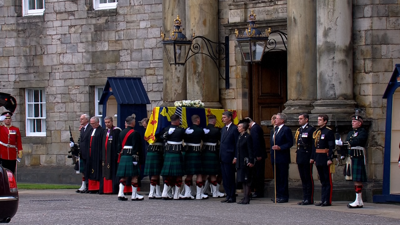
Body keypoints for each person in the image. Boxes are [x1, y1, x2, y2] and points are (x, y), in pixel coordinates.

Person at [340, 115, 368, 208]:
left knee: (357, 179)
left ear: (360, 123)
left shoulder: (362, 132)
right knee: (354, 179)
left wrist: (345, 143)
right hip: (351, 157)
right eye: (352, 121)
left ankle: (358, 200)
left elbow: (358, 141)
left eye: (355, 121)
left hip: (358, 156)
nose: (352, 123)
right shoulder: (351, 132)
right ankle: (358, 200)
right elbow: (348, 142)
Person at [116, 115, 144, 201]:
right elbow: (136, 147)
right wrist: (136, 158)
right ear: (132, 123)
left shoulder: (121, 132)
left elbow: (118, 147)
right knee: (135, 176)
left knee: (123, 176)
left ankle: (120, 193)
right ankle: (134, 195)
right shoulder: (135, 133)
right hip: (131, 156)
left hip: (124, 156)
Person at [311, 114, 335, 207]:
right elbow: (315, 146)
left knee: (327, 179)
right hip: (319, 157)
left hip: (325, 157)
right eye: (318, 119)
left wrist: (330, 158)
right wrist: (314, 157)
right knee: (322, 180)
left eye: (320, 120)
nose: (318, 121)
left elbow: (331, 146)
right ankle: (322, 199)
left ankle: (327, 200)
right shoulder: (317, 132)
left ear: (325, 121)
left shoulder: (328, 132)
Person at [182, 114, 208, 200]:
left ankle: (187, 193)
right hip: (196, 153)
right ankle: (198, 194)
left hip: (189, 153)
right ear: (198, 120)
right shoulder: (200, 130)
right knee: (199, 173)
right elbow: (204, 139)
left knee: (189, 174)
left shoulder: (187, 130)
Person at [160, 114, 185, 200]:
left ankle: (164, 192)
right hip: (177, 153)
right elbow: (186, 137)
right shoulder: (181, 130)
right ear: (178, 121)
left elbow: (161, 137)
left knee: (168, 174)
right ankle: (176, 195)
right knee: (178, 174)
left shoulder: (166, 129)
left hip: (168, 153)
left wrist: (167, 133)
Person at [270, 113, 293, 203]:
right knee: (277, 177)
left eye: (277, 118)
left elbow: (290, 143)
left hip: (282, 157)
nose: (275, 120)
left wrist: (280, 147)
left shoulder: (286, 129)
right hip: (275, 157)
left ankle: (284, 196)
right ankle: (278, 195)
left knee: (283, 177)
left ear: (282, 120)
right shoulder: (274, 130)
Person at [202, 115, 225, 198]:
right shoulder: (216, 130)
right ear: (214, 121)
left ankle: (202, 192)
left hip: (204, 152)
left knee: (204, 174)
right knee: (213, 174)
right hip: (213, 152)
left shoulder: (203, 130)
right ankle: (215, 192)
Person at [295, 113, 316, 205]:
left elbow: (313, 145)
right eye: (299, 118)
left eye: (301, 118)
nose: (299, 120)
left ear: (306, 119)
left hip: (307, 155)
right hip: (300, 155)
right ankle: (305, 197)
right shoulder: (299, 130)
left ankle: (309, 198)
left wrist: (312, 157)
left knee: (308, 177)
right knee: (303, 178)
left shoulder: (311, 129)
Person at [220, 111, 239, 203]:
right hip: (223, 156)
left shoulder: (234, 128)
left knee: (230, 176)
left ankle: (232, 195)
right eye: (222, 117)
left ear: (229, 118)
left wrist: (235, 157)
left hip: (230, 156)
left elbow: (236, 144)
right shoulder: (223, 129)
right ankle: (228, 194)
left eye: (224, 117)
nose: (222, 119)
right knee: (225, 177)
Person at [245, 117, 266, 198]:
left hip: (258, 155)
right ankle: (257, 191)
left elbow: (256, 142)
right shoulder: (255, 127)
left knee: (258, 174)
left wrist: (257, 155)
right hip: (258, 154)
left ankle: (259, 192)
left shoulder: (254, 129)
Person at [100, 116, 121, 194]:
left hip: (112, 155)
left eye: (108, 122)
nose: (107, 124)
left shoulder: (116, 131)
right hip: (105, 155)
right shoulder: (104, 131)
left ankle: (113, 189)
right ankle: (105, 189)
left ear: (112, 122)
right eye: (105, 122)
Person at [143, 122, 164, 200]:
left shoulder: (149, 130)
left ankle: (157, 192)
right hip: (156, 152)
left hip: (153, 152)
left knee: (156, 173)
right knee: (155, 174)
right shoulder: (157, 131)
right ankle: (152, 193)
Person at [235, 120, 254, 204]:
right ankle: (244, 196)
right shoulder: (240, 136)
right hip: (240, 160)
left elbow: (250, 150)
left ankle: (247, 197)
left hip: (245, 160)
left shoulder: (247, 137)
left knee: (247, 179)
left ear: (244, 128)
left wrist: (251, 160)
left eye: (239, 127)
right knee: (242, 179)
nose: (238, 128)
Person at [76, 114, 93, 193]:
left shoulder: (90, 128)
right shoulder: (82, 129)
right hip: (82, 153)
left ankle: (88, 186)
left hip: (88, 153)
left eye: (82, 119)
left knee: (88, 170)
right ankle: (84, 185)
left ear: (87, 120)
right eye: (80, 119)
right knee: (83, 170)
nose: (80, 120)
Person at [87, 117, 104, 194]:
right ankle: (91, 188)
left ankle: (97, 188)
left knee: (97, 171)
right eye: (91, 123)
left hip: (97, 154)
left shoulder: (101, 131)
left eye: (93, 123)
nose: (92, 125)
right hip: (91, 154)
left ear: (98, 123)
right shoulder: (91, 130)